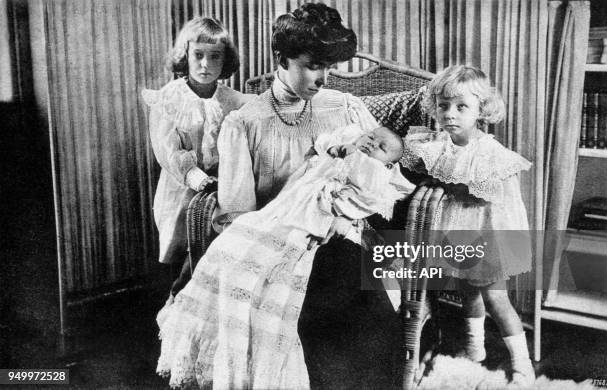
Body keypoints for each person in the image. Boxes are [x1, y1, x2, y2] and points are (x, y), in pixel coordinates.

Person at [213, 3, 404, 388]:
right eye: (313, 65)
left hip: (341, 238)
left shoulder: (347, 108)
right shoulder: (245, 123)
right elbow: (236, 214)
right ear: (282, 58)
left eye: (329, 66)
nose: (324, 77)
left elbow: (390, 182)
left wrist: (342, 214)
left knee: (368, 306)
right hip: (277, 246)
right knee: (306, 314)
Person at [156, 123, 415, 389]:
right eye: (371, 137)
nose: (372, 144)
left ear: (389, 164)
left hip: (329, 222)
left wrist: (343, 214)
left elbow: (368, 198)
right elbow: (317, 158)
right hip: (290, 212)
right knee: (240, 241)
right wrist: (338, 151)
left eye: (381, 147)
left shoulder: (374, 171)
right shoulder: (338, 149)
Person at [403, 65, 535, 386]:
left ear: (481, 110)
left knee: (495, 298)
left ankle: (522, 365)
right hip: (457, 228)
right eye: (444, 106)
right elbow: (422, 166)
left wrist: (451, 180)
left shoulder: (488, 152)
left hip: (487, 231)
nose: (451, 114)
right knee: (466, 291)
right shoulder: (439, 143)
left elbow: (486, 191)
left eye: (462, 107)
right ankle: (475, 349)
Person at [142, 17, 253, 297]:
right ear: (185, 56)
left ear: (225, 60)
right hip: (180, 188)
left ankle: (206, 301)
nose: (206, 65)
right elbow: (167, 150)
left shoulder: (232, 99)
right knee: (184, 247)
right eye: (198, 56)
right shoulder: (170, 98)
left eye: (215, 57)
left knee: (217, 242)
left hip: (221, 186)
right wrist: (195, 176)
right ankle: (177, 302)